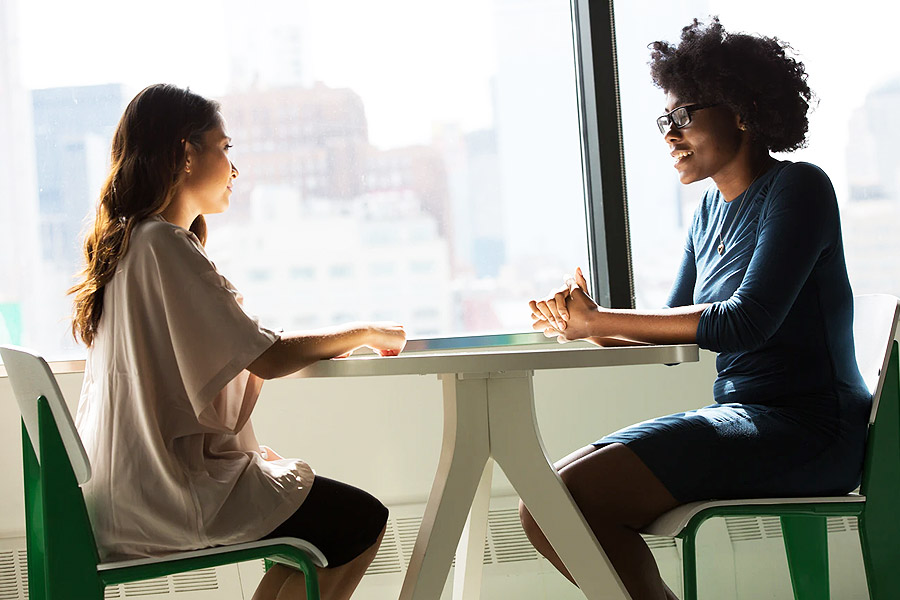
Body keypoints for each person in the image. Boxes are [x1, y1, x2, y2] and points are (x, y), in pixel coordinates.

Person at [521, 18, 871, 600]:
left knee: (567, 505)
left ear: (739, 110)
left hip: (812, 429)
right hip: (746, 418)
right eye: (666, 120)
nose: (669, 135)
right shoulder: (708, 211)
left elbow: (743, 322)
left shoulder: (800, 188)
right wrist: (581, 324)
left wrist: (600, 319)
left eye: (682, 116)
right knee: (547, 505)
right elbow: (675, 336)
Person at [70, 83, 407, 600]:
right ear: (187, 153)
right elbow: (265, 357)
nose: (235, 168)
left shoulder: (130, 245)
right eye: (225, 149)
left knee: (320, 535)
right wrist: (363, 332)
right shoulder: (162, 244)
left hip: (125, 492)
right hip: (165, 496)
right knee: (360, 522)